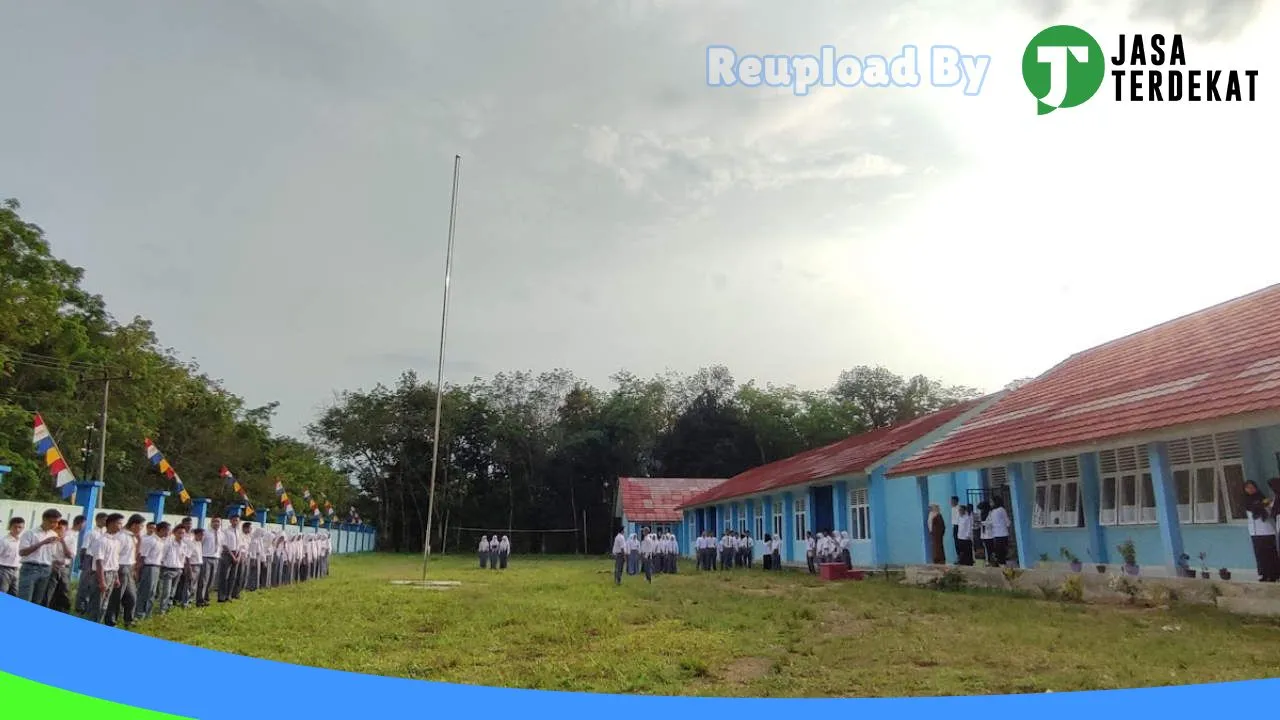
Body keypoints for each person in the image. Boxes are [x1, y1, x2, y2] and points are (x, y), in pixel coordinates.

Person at [105, 514, 143, 628]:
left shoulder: (132, 536)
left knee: (132, 596)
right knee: (116, 597)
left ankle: (129, 619)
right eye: (141, 526)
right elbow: (116, 555)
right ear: (134, 525)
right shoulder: (121, 536)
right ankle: (111, 621)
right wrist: (116, 572)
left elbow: (133, 554)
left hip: (129, 568)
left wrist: (134, 568)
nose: (141, 529)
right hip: (121, 568)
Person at [17, 508, 61, 604]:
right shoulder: (31, 533)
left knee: (37, 601)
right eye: (52, 522)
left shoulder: (54, 534)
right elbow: (22, 552)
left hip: (46, 569)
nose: (54, 525)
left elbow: (52, 554)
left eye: (57, 522)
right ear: (44, 519)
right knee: (25, 598)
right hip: (30, 568)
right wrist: (43, 543)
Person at [87, 514, 125, 624]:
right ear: (111, 524)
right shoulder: (101, 541)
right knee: (97, 604)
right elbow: (99, 562)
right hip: (102, 574)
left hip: (112, 574)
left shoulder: (116, 541)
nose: (121, 526)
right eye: (119, 523)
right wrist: (102, 581)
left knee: (104, 604)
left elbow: (114, 561)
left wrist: (116, 577)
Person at [1244, 480, 1280, 582]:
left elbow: (1270, 511)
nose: (1250, 489)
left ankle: (1274, 574)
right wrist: (1258, 506)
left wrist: (1263, 505)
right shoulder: (1246, 501)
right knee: (1260, 555)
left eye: (1252, 487)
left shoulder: (1263, 498)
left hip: (1267, 530)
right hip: (1255, 532)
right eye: (1248, 488)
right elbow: (1251, 511)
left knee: (1270, 554)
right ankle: (1264, 574)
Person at [137, 521, 168, 619]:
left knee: (152, 592)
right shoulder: (150, 540)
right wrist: (138, 571)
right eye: (167, 531)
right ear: (162, 530)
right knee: (145, 591)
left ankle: (147, 613)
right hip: (149, 567)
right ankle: (139, 613)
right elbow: (142, 557)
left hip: (156, 567)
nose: (168, 533)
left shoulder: (160, 541)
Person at [45, 518, 75, 612]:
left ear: (66, 529)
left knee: (63, 591)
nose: (58, 530)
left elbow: (70, 555)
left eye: (60, 528)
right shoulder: (50, 538)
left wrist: (62, 541)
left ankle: (63, 611)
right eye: (56, 528)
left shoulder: (71, 539)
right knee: (48, 591)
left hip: (63, 568)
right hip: (51, 567)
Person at [156, 525, 188, 615]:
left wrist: (182, 569)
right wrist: (162, 568)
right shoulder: (168, 544)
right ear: (174, 533)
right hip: (168, 569)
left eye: (183, 533)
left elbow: (183, 558)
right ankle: (162, 610)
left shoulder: (184, 545)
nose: (181, 535)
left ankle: (168, 608)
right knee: (166, 591)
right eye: (179, 533)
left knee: (173, 591)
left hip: (178, 570)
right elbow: (162, 556)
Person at [198, 518, 221, 607]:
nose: (216, 523)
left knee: (211, 580)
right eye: (214, 522)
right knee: (204, 580)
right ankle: (200, 600)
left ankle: (206, 598)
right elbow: (200, 544)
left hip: (216, 558)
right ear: (211, 523)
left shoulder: (221, 534)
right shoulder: (206, 533)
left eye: (218, 522)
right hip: (206, 557)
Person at [218, 516, 241, 603]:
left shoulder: (239, 532)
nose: (236, 522)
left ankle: (229, 595)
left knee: (233, 576)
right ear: (230, 521)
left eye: (237, 521)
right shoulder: (226, 531)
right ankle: (222, 596)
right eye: (234, 520)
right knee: (224, 576)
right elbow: (225, 545)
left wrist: (238, 556)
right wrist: (233, 556)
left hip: (236, 554)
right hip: (228, 554)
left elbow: (240, 545)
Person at [0, 517, 23, 596]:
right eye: (15, 527)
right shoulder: (3, 541)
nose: (17, 529)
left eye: (20, 527)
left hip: (17, 570)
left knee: (15, 593)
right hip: (4, 570)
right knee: (3, 591)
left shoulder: (22, 541)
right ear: (10, 527)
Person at [988, 496, 1011, 566]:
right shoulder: (992, 511)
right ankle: (1001, 564)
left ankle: (1003, 565)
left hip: (1002, 534)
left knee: (1002, 552)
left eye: (991, 502)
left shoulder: (1001, 509)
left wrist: (1005, 526)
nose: (990, 503)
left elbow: (1007, 521)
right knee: (998, 551)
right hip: (996, 534)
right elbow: (991, 521)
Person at [949, 496, 962, 561]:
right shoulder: (952, 508)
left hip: (959, 526)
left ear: (956, 501)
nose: (951, 502)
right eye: (951, 501)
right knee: (956, 543)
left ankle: (961, 557)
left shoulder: (959, 508)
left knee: (959, 543)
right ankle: (958, 557)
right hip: (955, 526)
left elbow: (959, 519)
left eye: (952, 501)